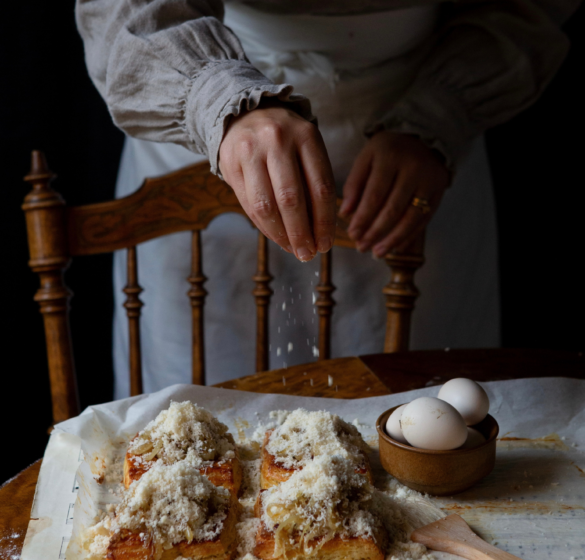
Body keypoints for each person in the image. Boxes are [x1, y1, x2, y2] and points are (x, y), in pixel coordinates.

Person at [76, 0, 578, 397]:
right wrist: (220, 101)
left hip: (422, 141)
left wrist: (441, 114)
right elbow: (126, 9)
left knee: (424, 427)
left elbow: (529, 8)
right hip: (205, 124)